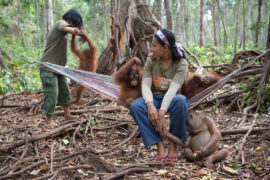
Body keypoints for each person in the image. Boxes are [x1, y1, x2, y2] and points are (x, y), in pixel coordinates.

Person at [130, 29, 189, 163]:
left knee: (181, 101)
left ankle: (173, 145)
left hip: (172, 98)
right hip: (155, 97)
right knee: (135, 106)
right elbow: (145, 85)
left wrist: (162, 111)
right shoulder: (152, 60)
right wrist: (150, 104)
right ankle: (159, 144)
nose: (152, 49)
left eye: (154, 45)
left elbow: (173, 89)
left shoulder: (181, 63)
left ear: (165, 48)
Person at [40, 8, 85, 126]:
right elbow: (68, 29)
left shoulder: (65, 31)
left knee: (65, 90)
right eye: (74, 23)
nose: (75, 26)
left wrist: (79, 34)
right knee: (52, 93)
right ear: (70, 19)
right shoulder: (60, 23)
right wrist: (80, 32)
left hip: (60, 67)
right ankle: (49, 120)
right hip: (48, 67)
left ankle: (67, 114)